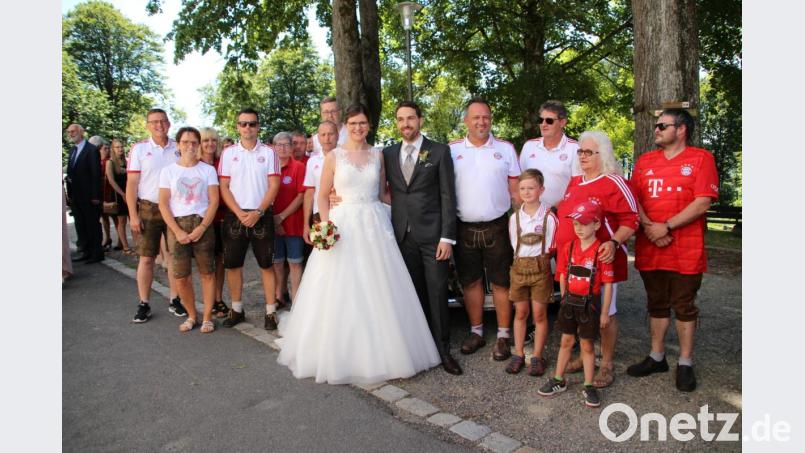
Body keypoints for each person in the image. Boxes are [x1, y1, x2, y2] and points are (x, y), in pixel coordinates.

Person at [276, 104, 440, 384]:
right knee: (339, 286)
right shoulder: (334, 157)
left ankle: (386, 349)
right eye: (353, 123)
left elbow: (383, 194)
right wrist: (325, 225)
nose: (358, 128)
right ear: (346, 125)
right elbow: (324, 196)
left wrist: (419, 209)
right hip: (343, 225)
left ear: (368, 125)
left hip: (374, 224)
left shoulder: (378, 155)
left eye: (362, 123)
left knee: (380, 285)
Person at [626, 109, 719, 392]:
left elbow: (703, 202)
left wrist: (665, 226)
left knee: (684, 305)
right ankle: (657, 357)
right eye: (656, 125)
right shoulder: (645, 161)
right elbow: (634, 198)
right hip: (651, 246)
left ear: (681, 129)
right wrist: (650, 227)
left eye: (662, 125)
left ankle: (685, 362)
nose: (656, 129)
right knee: (656, 302)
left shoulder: (701, 159)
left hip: (685, 249)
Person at [382, 101, 462, 375]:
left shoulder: (439, 151)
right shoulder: (388, 154)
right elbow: (380, 190)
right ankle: (418, 350)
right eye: (401, 119)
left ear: (420, 120)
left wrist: (447, 238)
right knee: (412, 295)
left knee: (438, 292)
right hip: (401, 235)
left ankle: (443, 351)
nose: (406, 124)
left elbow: (448, 196)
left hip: (433, 237)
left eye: (411, 118)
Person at [554, 130, 638, 388]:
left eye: (588, 152)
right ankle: (585, 355)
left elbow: (631, 219)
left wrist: (613, 242)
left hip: (600, 260)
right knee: (580, 310)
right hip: (573, 261)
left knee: (605, 313)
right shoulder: (575, 181)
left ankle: (607, 363)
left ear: (604, 154)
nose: (582, 156)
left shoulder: (613, 181)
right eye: (580, 151)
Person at [449, 97, 521, 361]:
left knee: (502, 282)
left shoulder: (505, 148)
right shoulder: (452, 150)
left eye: (486, 117)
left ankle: (503, 336)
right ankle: (476, 332)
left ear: (491, 119)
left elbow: (516, 192)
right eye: (476, 117)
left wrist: (523, 226)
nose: (481, 121)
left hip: (498, 225)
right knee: (471, 282)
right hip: (463, 227)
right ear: (466, 121)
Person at [538, 201, 614, 408]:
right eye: (576, 224)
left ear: (597, 225)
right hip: (569, 303)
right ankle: (558, 379)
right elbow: (562, 275)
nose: (579, 228)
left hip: (590, 305)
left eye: (584, 223)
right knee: (565, 341)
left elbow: (608, 284)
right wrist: (564, 298)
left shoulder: (602, 251)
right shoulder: (568, 247)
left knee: (587, 344)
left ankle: (589, 384)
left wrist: (605, 313)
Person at [218, 108, 281, 330]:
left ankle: (270, 312)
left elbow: (274, 185)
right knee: (233, 264)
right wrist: (238, 212)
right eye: (243, 124)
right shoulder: (228, 154)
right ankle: (236, 309)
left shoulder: (269, 152)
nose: (247, 128)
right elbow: (224, 187)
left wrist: (258, 212)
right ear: (237, 126)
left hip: (261, 214)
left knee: (266, 264)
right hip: (236, 215)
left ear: (258, 126)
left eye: (252, 124)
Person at [157, 127, 220, 333]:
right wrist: (177, 231)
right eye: (185, 142)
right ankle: (192, 315)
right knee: (181, 276)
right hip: (178, 227)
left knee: (207, 274)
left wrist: (202, 228)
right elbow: (163, 204)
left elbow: (213, 201)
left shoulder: (207, 170)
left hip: (202, 225)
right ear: (178, 144)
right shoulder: (168, 172)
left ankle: (208, 317)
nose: (190, 146)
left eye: (194, 142)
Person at [127, 108, 184, 323]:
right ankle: (144, 303)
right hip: (149, 208)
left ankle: (175, 299)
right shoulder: (139, 149)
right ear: (148, 125)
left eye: (162, 121)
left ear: (168, 123)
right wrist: (133, 214)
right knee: (147, 258)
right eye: (154, 122)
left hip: (174, 208)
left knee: (173, 257)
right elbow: (132, 184)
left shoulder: (178, 148)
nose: (159, 125)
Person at [505, 169, 557, 376]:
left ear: (541, 189)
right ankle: (518, 353)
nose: (526, 192)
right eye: (523, 188)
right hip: (518, 270)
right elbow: (513, 243)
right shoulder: (514, 218)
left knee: (539, 314)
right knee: (520, 312)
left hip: (541, 270)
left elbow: (552, 246)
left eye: (531, 188)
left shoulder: (549, 217)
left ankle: (536, 355)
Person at [519, 100, 581, 207]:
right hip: (532, 215)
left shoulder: (575, 149)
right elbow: (520, 180)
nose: (543, 124)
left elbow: (579, 187)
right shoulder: (529, 146)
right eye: (540, 120)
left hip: (562, 214)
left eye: (549, 121)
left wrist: (556, 209)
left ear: (562, 122)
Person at [271, 132, 306, 306]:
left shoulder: (299, 167)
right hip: (272, 224)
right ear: (273, 147)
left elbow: (301, 196)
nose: (283, 148)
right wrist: (274, 220)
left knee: (295, 263)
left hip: (293, 223)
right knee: (277, 263)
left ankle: (297, 299)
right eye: (279, 144)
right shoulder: (269, 168)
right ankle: (279, 296)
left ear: (292, 147)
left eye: (286, 144)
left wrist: (282, 217)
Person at [199, 127, 230, 318]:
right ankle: (207, 302)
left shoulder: (222, 163)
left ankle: (218, 299)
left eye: (213, 140)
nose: (210, 144)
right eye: (205, 141)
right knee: (205, 264)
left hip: (222, 218)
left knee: (220, 261)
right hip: (203, 219)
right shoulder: (196, 164)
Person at [65, 124, 103, 263]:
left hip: (88, 196)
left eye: (73, 131)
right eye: (69, 132)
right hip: (76, 195)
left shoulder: (91, 150)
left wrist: (95, 195)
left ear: (81, 132)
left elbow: (95, 174)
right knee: (81, 225)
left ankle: (96, 253)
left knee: (92, 224)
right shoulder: (72, 151)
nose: (71, 134)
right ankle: (86, 251)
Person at [302, 121, 338, 241]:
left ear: (337, 134)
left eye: (330, 134)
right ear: (318, 137)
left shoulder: (346, 157)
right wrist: (306, 224)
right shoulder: (312, 161)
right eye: (323, 135)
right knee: (323, 253)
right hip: (319, 214)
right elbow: (309, 193)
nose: (327, 138)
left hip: (343, 212)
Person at [105, 139, 133, 254]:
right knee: (121, 221)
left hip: (130, 193)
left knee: (134, 220)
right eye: (117, 147)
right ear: (113, 149)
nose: (120, 149)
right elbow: (111, 181)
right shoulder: (110, 162)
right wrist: (122, 194)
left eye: (121, 146)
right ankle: (125, 247)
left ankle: (138, 245)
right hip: (119, 194)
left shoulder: (127, 161)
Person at [91, 136, 113, 251]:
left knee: (115, 217)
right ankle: (107, 238)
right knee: (104, 217)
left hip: (110, 191)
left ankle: (120, 240)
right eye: (105, 148)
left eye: (108, 148)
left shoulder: (110, 161)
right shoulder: (97, 161)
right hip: (101, 192)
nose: (107, 150)